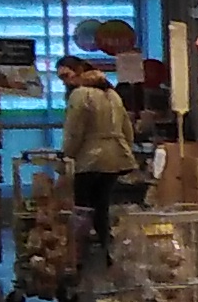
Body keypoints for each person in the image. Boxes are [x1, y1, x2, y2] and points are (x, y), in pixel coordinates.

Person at [59, 57, 139, 263]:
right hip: (114, 158)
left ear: (79, 71)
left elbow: (74, 132)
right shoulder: (112, 94)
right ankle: (106, 252)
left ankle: (80, 254)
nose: (64, 81)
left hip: (88, 158)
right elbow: (127, 129)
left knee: (82, 208)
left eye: (66, 75)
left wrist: (66, 155)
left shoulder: (80, 95)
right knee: (102, 206)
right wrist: (125, 150)